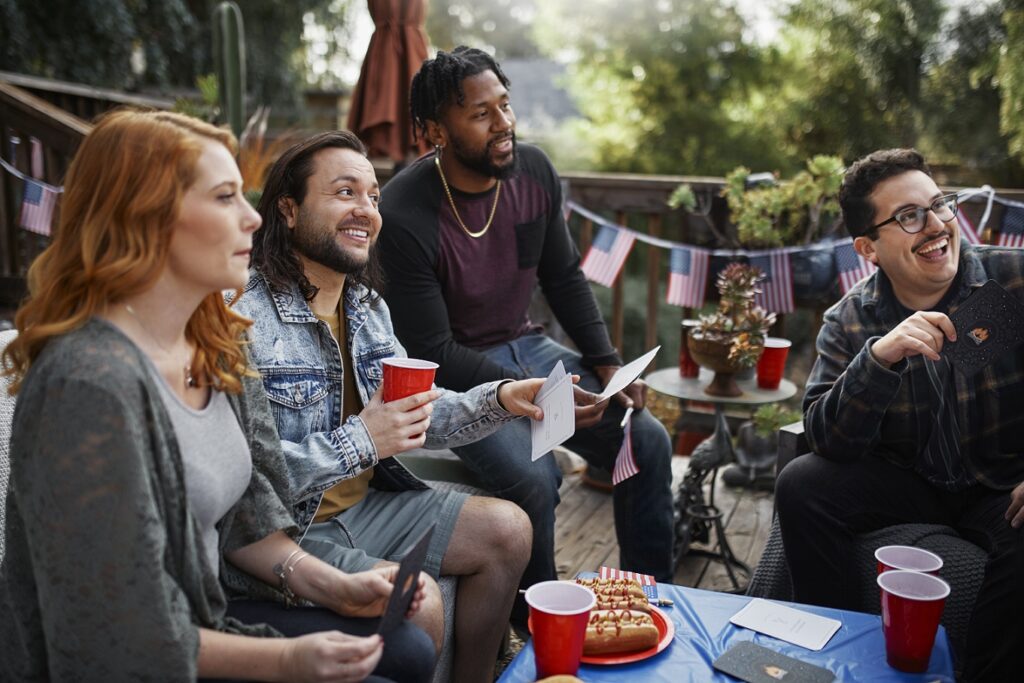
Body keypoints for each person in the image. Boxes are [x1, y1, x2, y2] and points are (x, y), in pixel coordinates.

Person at [0, 110, 436, 683]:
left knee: (409, 649)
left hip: (205, 613)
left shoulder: (215, 338)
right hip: (125, 658)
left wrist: (336, 586)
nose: (254, 217)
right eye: (226, 196)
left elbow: (247, 521)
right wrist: (285, 661)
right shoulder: (87, 386)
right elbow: (118, 638)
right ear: (147, 217)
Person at [232, 129, 546, 683]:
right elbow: (244, 482)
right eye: (345, 192)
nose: (367, 210)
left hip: (368, 508)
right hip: (291, 532)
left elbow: (416, 413)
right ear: (287, 208)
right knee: (418, 604)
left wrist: (502, 398)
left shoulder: (367, 305)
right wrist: (362, 440)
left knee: (510, 529)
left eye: (374, 196)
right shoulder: (245, 320)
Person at [376, 46, 675, 625]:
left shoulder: (533, 172)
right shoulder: (405, 214)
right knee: (535, 477)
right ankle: (540, 626)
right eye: (481, 114)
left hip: (527, 342)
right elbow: (433, 353)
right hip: (459, 378)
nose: (504, 123)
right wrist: (531, 393)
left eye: (505, 105)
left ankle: (646, 603)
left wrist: (607, 363)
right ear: (436, 130)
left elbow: (562, 276)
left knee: (648, 439)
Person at [775, 148, 1024, 681]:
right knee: (802, 484)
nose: (935, 226)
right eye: (910, 216)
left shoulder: (1012, 280)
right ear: (868, 247)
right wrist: (878, 359)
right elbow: (826, 439)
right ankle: (834, 659)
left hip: (1002, 483)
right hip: (911, 480)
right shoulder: (851, 320)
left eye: (940, 206)